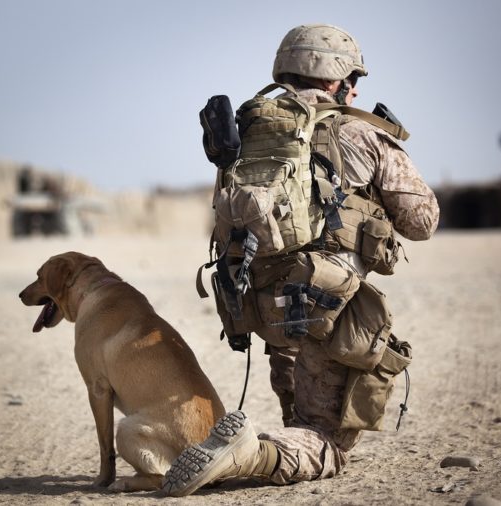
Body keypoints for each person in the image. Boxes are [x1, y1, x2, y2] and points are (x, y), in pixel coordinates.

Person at [162, 23, 440, 496]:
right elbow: (422, 221)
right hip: (324, 309)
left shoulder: (247, 130)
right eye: (352, 79)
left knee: (300, 419)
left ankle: (267, 445)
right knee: (326, 440)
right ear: (335, 79)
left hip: (262, 308)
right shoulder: (359, 132)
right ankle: (247, 452)